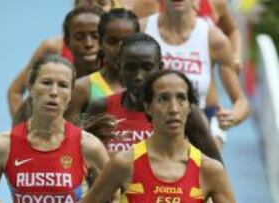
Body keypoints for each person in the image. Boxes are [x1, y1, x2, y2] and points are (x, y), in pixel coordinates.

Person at [0, 55, 111, 203]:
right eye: (46, 83)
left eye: (63, 85)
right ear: (30, 87)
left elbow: (113, 198)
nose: (54, 92)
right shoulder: (3, 146)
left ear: (70, 94)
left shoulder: (89, 146)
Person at [82, 69, 236, 203]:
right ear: (148, 107)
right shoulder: (124, 163)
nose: (174, 108)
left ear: (190, 107)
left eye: (181, 98)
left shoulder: (210, 170)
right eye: (163, 99)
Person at [87, 33, 221, 162]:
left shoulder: (185, 112)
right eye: (130, 68)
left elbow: (216, 170)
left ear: (160, 68)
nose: (139, 76)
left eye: (147, 67)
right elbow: (83, 163)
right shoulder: (101, 108)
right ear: (119, 68)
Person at [144, 0, 250, 149]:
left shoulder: (215, 38)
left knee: (207, 168)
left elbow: (242, 102)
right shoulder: (143, 29)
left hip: (202, 120)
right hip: (151, 121)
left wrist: (230, 118)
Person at [8, 5, 104, 118]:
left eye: (96, 36)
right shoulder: (52, 51)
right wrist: (23, 132)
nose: (89, 43)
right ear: (67, 41)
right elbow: (15, 93)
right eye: (79, 37)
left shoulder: (119, 74)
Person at [65, 8, 140, 120]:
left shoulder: (151, 86)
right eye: (112, 42)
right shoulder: (82, 89)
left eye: (127, 41)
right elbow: (70, 135)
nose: (119, 49)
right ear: (100, 43)